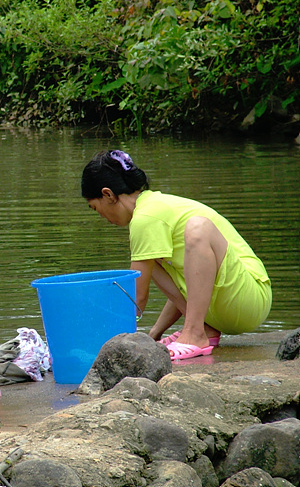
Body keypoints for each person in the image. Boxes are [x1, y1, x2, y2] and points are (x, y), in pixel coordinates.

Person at [81, 150, 272, 360]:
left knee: (198, 227)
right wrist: (153, 334)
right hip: (225, 310)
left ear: (108, 194)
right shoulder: (147, 213)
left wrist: (104, 343)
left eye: (95, 208)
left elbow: (136, 298)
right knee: (151, 259)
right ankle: (204, 330)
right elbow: (190, 279)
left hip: (249, 297)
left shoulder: (146, 216)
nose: (101, 216)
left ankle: (195, 333)